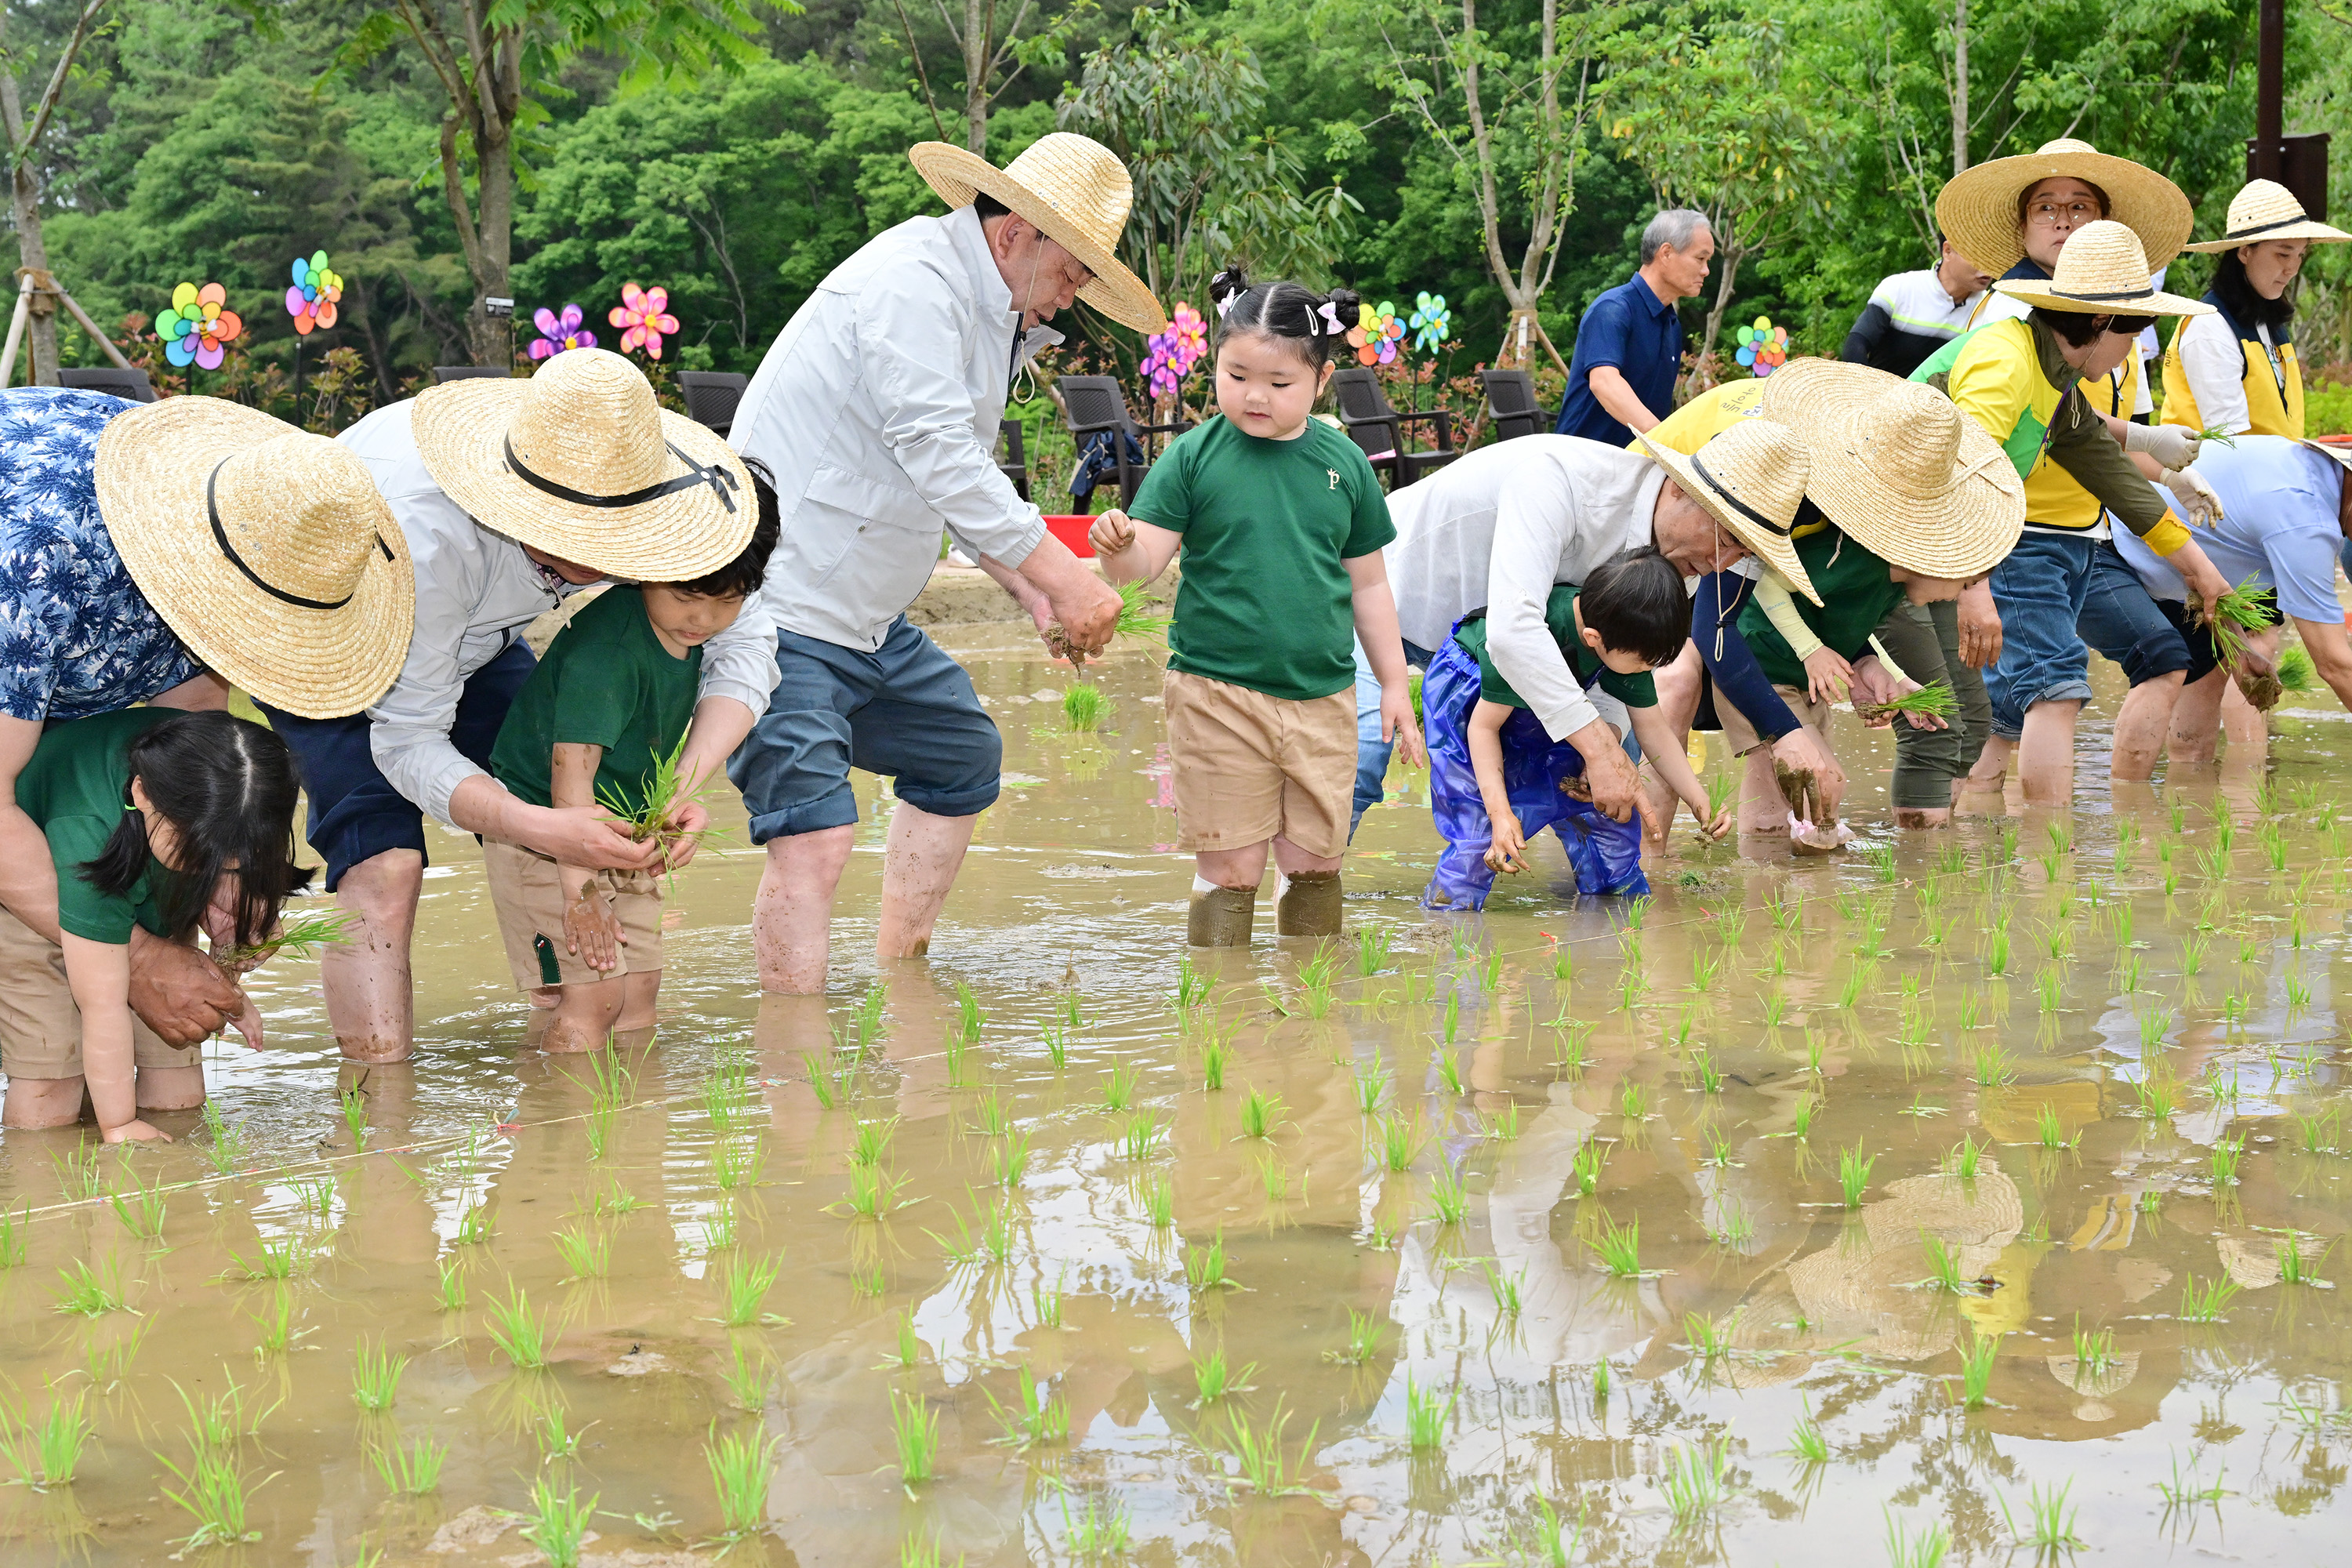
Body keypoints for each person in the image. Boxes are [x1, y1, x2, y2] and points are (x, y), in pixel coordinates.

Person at [727, 132, 1146, 993]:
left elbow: (944, 485)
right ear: (1012, 236)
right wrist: (1066, 577)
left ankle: (899, 979)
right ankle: (793, 1059)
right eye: (1071, 274)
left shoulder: (983, 309)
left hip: (868, 619)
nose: (1070, 301)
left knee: (960, 754)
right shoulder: (911, 283)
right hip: (783, 607)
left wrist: (1030, 589)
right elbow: (941, 454)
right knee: (815, 834)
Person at [266, 347, 768, 1063]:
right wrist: (543, 826)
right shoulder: (430, 540)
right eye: (573, 533)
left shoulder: (658, 500)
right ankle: (379, 1109)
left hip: (481, 638)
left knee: (561, 835)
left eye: (613, 535)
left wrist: (675, 788)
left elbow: (745, 637)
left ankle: (564, 1080)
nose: (602, 557)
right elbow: (408, 740)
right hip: (330, 636)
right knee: (386, 866)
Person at [0, 388, 412, 1058]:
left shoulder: (252, 515)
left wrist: (227, 881)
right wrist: (138, 958)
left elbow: (191, 723)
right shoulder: (35, 571)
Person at [1087, 267, 1421, 945]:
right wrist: (1114, 545)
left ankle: (1308, 1016)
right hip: (1216, 692)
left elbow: (1369, 585)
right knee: (1232, 866)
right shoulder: (1193, 458)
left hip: (1321, 695)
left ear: (1321, 381)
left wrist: (1392, 683)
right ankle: (1222, 1012)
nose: (1254, 396)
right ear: (1216, 362)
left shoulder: (1343, 464)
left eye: (1279, 383)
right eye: (1237, 376)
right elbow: (1142, 564)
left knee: (1316, 864)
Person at [1350, 420, 1838, 840]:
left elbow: (1613, 667)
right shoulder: (1560, 483)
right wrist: (1595, 745)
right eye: (1727, 540)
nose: (1719, 565)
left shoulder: (1679, 564)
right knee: (1364, 753)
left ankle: (1598, 918)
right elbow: (1513, 630)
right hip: (1389, 600)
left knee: (1610, 765)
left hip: (1481, 644)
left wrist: (1604, 739)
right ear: (1680, 490)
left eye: (1741, 556)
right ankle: (1302, 917)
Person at [1911, 220, 2233, 804]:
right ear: (2101, 323)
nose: (2132, 352)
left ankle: (1953, 834)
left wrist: (2199, 571)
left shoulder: (2054, 376)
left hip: (1990, 537)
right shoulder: (2006, 362)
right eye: (2132, 335)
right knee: (2056, 685)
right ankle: (2048, 861)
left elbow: (2110, 474)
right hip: (1940, 531)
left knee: (2006, 702)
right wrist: (1975, 587)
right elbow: (1961, 474)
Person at [483, 471, 782, 1051]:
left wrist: (670, 801)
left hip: (623, 823)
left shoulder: (687, 626)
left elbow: (739, 676)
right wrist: (580, 892)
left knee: (639, 993)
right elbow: (571, 771)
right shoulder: (610, 654)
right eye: (686, 598)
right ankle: (562, 1129)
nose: (703, 620)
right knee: (589, 998)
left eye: (726, 603)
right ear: (645, 570)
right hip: (547, 833)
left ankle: (633, 1131)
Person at [1717, 369, 2024, 840]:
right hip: (1757, 664)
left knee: (1817, 791)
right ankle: (1764, 893)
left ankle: (1800, 886)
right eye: (1965, 578)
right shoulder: (1829, 540)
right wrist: (1811, 651)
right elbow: (1765, 585)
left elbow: (1858, 628)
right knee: (1782, 782)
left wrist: (1889, 678)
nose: (1961, 592)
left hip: (1807, 682)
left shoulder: (1891, 580)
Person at [2, 710, 306, 1138]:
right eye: (203, 859)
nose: (216, 871)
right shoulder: (90, 828)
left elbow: (223, 855)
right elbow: (101, 1005)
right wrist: (120, 1124)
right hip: (37, 890)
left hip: (148, 878)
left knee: (177, 1097)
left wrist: (230, 982)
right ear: (142, 794)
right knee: (50, 1091)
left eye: (235, 863)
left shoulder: (237, 782)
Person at [1425, 546, 1730, 910]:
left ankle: (1611, 895)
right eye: (1642, 665)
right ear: (1594, 639)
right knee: (1481, 832)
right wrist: (1500, 814)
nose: (1644, 671)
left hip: (1556, 701)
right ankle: (1447, 919)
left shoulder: (1625, 631)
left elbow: (1653, 728)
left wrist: (1699, 800)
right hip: (1470, 694)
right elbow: (1482, 730)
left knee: (1604, 808)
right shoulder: (1528, 641)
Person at [2107, 437, 2352, 765]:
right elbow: (2335, 664)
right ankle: (2130, 808)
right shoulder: (2304, 521)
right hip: (2116, 545)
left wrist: (2237, 644)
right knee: (2163, 665)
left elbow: (2213, 552)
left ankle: (2188, 803)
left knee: (2208, 679)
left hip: (2189, 572)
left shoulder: (2306, 469)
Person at [2164, 180, 2351, 441]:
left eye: (2300, 255)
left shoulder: (2268, 321)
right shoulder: (2210, 325)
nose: (2293, 268)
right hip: (2217, 478)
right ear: (2244, 252)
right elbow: (2231, 440)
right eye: (2283, 254)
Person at [1554, 209, 1712, 443]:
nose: (1706, 270)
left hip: (1635, 465)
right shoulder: (1613, 309)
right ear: (1666, 253)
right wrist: (1665, 441)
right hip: (1581, 465)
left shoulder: (1671, 324)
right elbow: (1604, 382)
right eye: (1700, 258)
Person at [1841, 237, 1992, 376]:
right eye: (1978, 255)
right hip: (1879, 398)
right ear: (1948, 250)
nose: (1988, 266)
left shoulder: (1991, 309)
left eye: (1993, 258)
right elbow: (1856, 344)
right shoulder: (1900, 288)